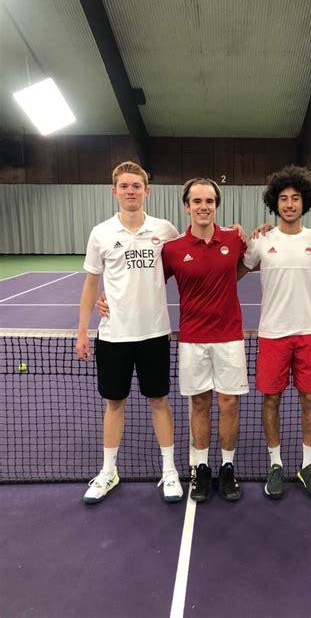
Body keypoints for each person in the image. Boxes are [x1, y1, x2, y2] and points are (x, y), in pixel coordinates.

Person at [75, 161, 183, 504]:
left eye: (137, 185)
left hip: (154, 334)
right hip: (113, 336)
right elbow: (91, 285)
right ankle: (109, 471)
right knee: (114, 403)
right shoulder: (101, 233)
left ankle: (169, 471)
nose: (131, 191)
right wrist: (82, 330)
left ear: (147, 191)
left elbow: (190, 258)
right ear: (115, 191)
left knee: (159, 401)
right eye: (124, 186)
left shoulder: (164, 230)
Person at [239, 166, 311, 500]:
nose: (290, 204)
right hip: (272, 335)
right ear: (275, 203)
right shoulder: (262, 239)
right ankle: (276, 465)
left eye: (296, 198)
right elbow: (234, 272)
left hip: (309, 333)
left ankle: (307, 465)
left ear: (304, 202)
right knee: (272, 399)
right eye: (284, 198)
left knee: (310, 398)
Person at [161, 178, 248, 503]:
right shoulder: (172, 250)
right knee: (199, 404)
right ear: (187, 206)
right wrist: (109, 299)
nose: (203, 207)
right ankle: (200, 468)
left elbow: (252, 259)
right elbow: (145, 285)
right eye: (196, 201)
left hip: (229, 339)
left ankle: (227, 467)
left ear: (216, 205)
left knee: (229, 404)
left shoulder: (234, 239)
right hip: (192, 340)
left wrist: (261, 230)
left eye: (209, 201)